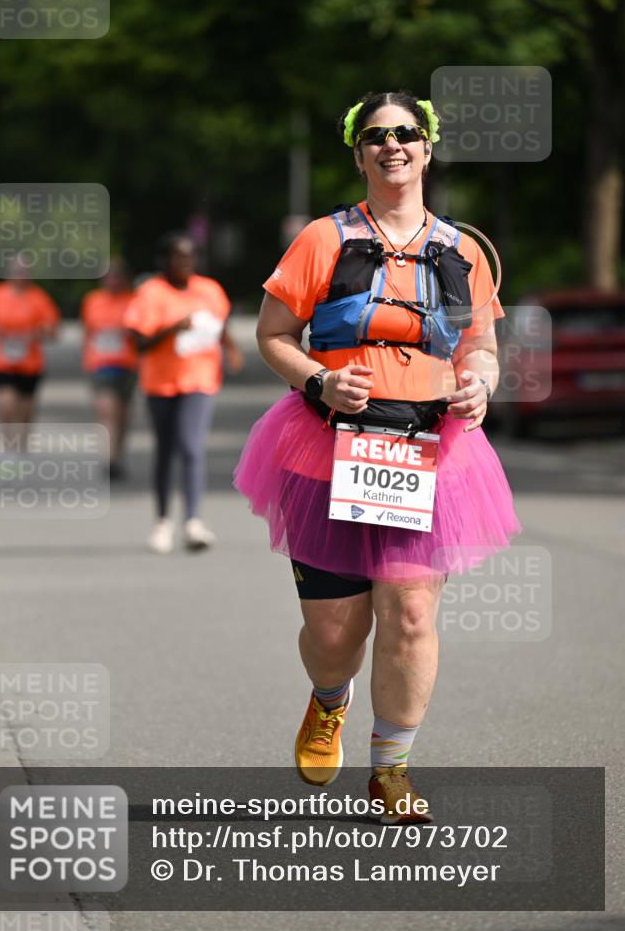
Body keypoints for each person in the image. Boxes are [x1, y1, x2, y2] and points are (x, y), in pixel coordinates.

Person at [234, 90, 521, 823]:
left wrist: (479, 385)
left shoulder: (462, 251)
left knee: (412, 614)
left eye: (405, 133)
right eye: (375, 136)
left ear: (427, 147)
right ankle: (329, 698)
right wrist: (320, 380)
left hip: (430, 451)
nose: (392, 144)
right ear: (358, 153)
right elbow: (272, 336)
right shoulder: (322, 240)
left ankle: (391, 768)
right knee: (336, 636)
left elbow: (480, 347)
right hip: (325, 448)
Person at [124, 232, 244, 553]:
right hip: (160, 383)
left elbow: (219, 326)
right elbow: (139, 343)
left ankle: (193, 521)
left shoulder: (209, 290)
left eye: (190, 256)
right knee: (166, 449)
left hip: (199, 379)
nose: (185, 262)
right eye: (178, 256)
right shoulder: (150, 293)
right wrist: (172, 329)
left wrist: (231, 349)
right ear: (164, 260)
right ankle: (162, 521)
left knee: (191, 446)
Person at [0, 255, 60, 433]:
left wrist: (35, 334)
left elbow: (53, 330)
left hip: (29, 364)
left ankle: (21, 446)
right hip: (2, 362)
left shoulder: (39, 298)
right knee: (6, 406)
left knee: (25, 414)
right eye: (17, 271)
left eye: (24, 272)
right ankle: (8, 446)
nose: (21, 275)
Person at [80, 258, 138, 479]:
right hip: (100, 364)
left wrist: (128, 333)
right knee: (107, 411)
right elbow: (87, 332)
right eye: (109, 277)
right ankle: (109, 459)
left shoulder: (133, 300)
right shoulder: (92, 300)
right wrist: (86, 358)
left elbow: (142, 332)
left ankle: (117, 453)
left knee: (122, 414)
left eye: (117, 276)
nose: (113, 281)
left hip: (127, 364)